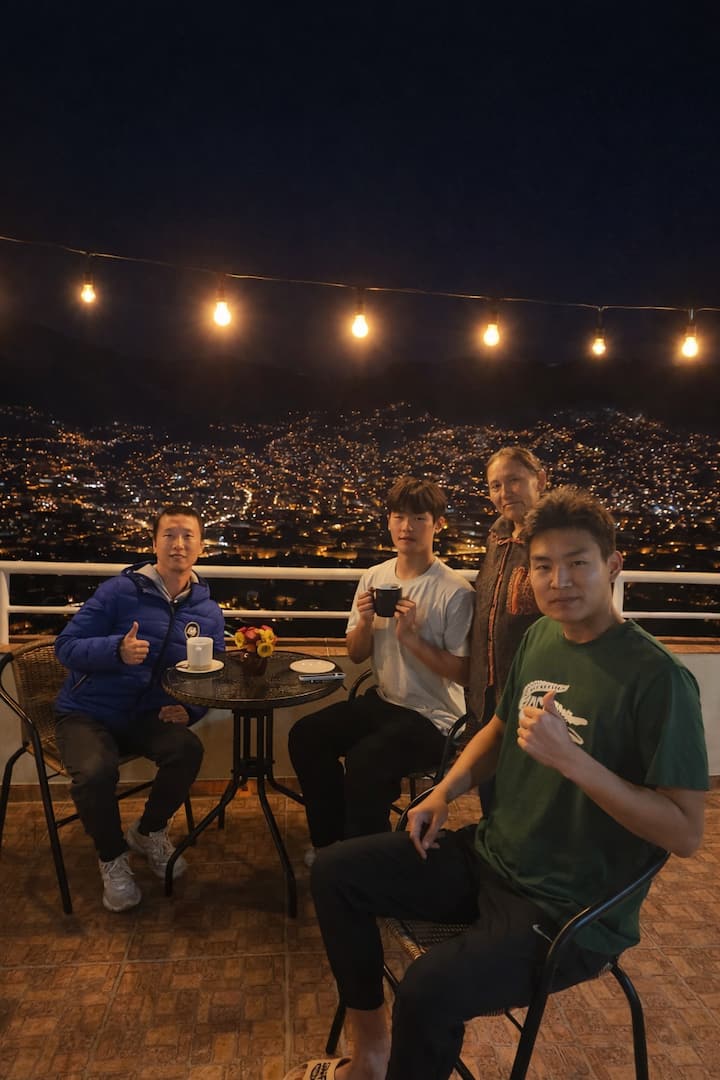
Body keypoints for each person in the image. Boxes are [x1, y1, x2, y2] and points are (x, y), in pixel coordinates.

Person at [283, 486, 708, 1080]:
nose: (559, 580)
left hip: (568, 908)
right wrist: (445, 791)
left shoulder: (659, 678)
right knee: (335, 872)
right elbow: (499, 728)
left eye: (577, 563)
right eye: (543, 566)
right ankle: (370, 1057)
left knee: (426, 989)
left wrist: (575, 762)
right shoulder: (541, 637)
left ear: (613, 565)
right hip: (492, 856)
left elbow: (685, 833)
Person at [288, 476, 474, 864]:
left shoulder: (455, 591)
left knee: (366, 761)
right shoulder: (375, 577)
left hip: (435, 717)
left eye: (419, 518)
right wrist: (365, 622)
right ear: (388, 521)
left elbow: (463, 674)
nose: (407, 527)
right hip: (386, 700)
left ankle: (367, 861)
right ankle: (330, 843)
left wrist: (412, 639)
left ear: (438, 524)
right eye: (399, 516)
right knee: (306, 735)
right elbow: (356, 655)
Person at [54, 505, 225, 913]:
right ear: (154, 543)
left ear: (201, 547)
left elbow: (213, 669)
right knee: (95, 772)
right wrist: (116, 649)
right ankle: (112, 858)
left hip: (146, 714)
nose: (178, 544)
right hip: (87, 711)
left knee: (187, 749)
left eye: (188, 536)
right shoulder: (119, 592)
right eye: (169, 535)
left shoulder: (207, 611)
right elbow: (65, 647)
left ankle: (148, 831)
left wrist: (190, 710)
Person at [467, 445, 547, 810]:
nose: (505, 492)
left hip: (533, 697)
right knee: (491, 794)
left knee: (528, 798)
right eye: (495, 485)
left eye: (514, 480)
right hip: (487, 698)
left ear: (540, 480)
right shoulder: (496, 538)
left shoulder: (552, 540)